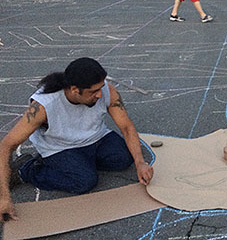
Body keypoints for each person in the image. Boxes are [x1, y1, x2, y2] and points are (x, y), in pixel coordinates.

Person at [0, 57, 154, 222]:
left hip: (96, 137)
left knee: (124, 158)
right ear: (74, 90)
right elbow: (6, 145)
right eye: (93, 91)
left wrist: (140, 163)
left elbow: (126, 127)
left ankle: (79, 164)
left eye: (101, 88)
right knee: (84, 181)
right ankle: (27, 170)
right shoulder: (44, 105)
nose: (100, 94)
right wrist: (3, 197)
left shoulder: (107, 91)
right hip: (59, 147)